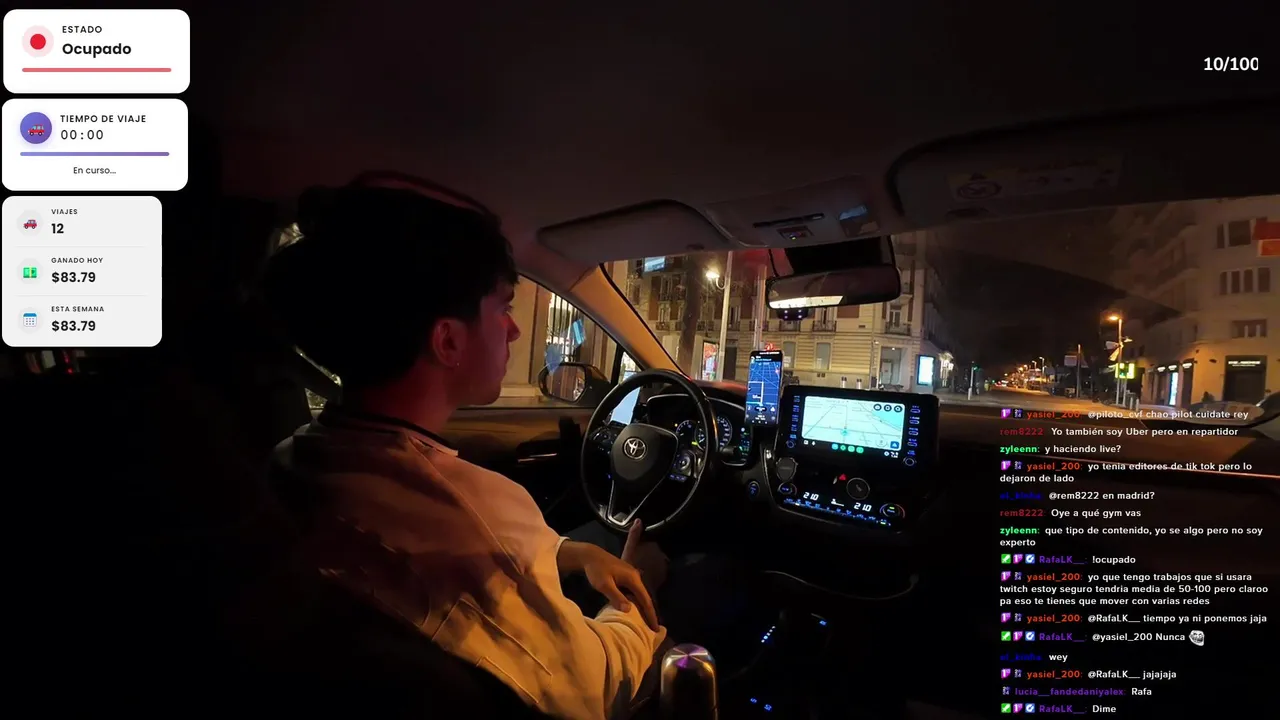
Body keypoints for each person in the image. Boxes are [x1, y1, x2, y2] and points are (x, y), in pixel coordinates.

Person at [262, 174, 671, 720]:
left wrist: (570, 553)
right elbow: (588, 692)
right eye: (502, 308)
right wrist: (638, 602)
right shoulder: (473, 516)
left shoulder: (293, 459)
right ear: (448, 340)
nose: (513, 330)